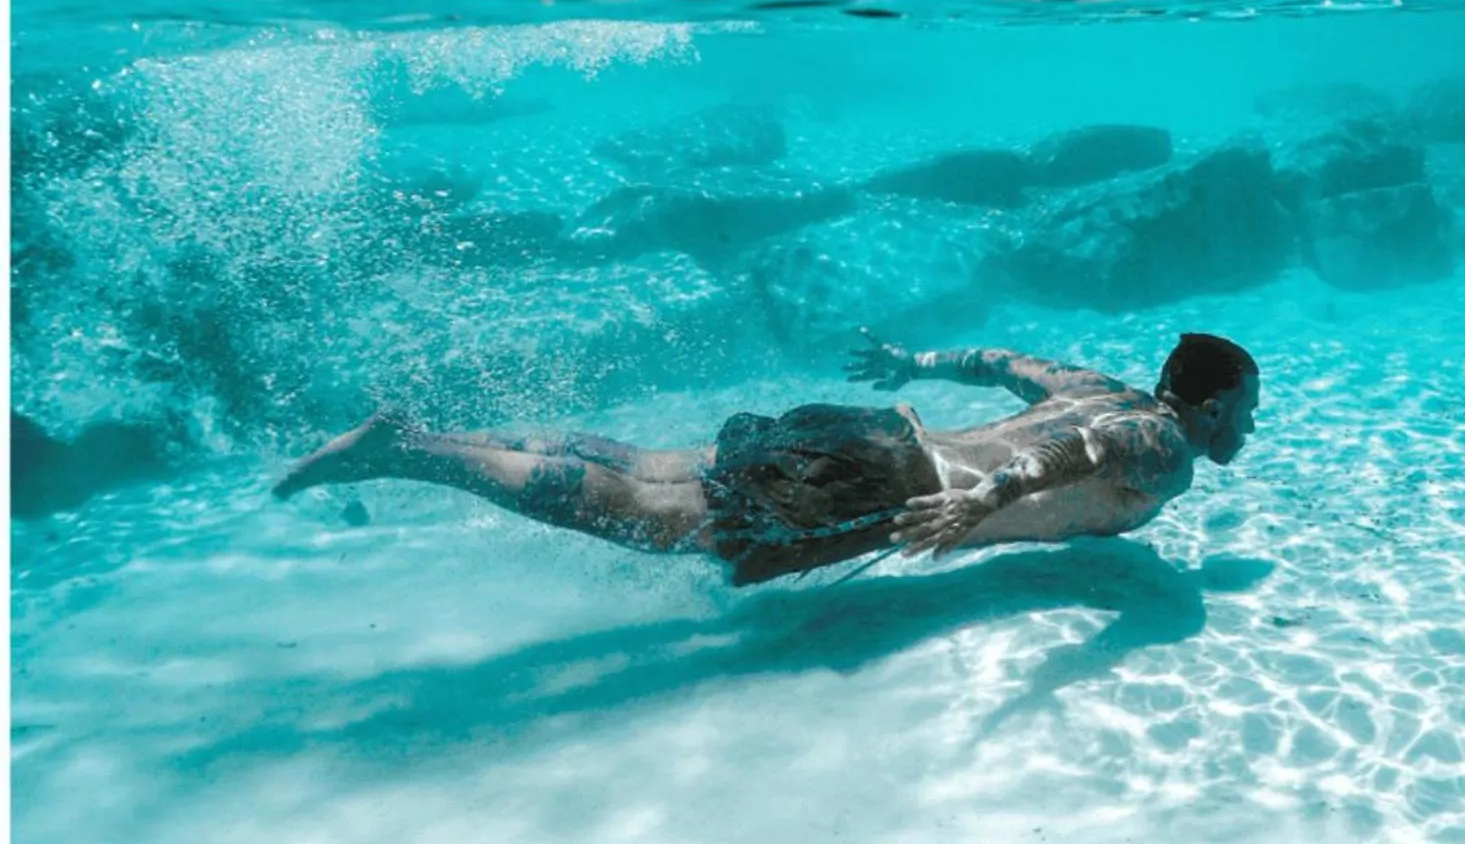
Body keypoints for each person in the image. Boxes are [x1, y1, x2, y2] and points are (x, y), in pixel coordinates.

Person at [273, 332, 1261, 586]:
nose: (1246, 434)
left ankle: (422, 436)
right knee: (653, 517)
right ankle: (410, 455)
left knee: (654, 465)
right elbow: (1081, 455)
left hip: (883, 435)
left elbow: (1000, 362)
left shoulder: (1098, 382)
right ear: (1209, 402)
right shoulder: (1164, 444)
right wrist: (979, 504)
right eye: (1245, 416)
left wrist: (908, 363)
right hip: (899, 486)